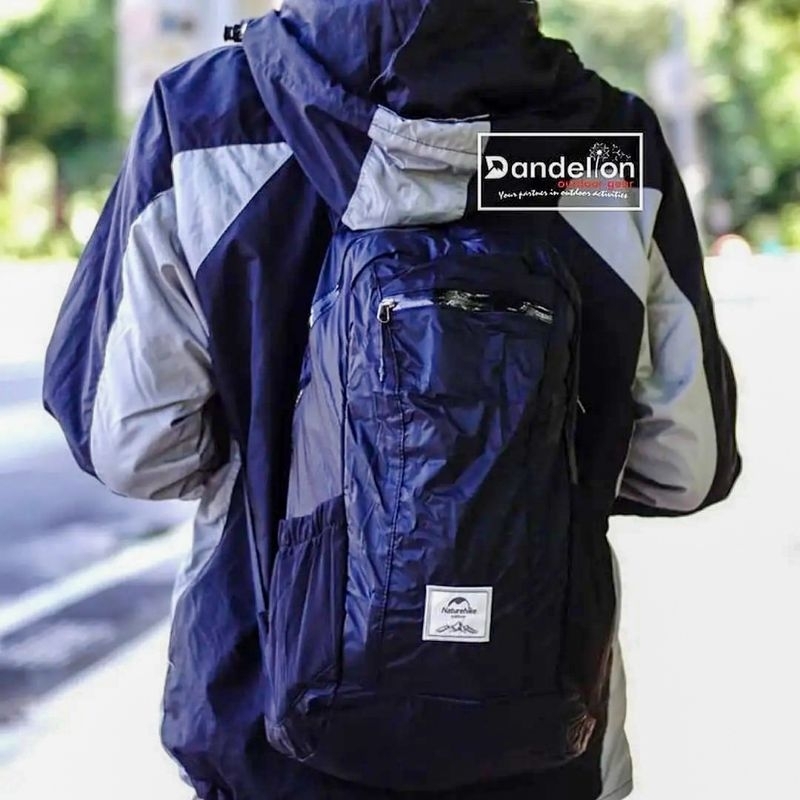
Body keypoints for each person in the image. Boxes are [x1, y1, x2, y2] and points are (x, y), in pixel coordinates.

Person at [43, 1, 741, 798]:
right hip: (542, 726)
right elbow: (685, 466)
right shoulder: (609, 145)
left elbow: (132, 447)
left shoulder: (206, 118)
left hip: (265, 731)